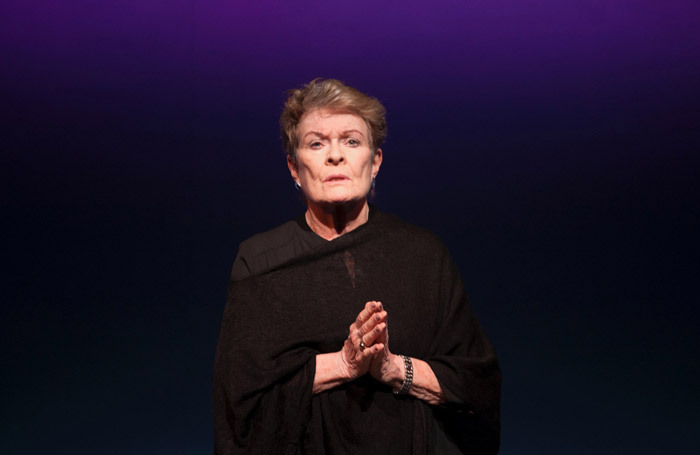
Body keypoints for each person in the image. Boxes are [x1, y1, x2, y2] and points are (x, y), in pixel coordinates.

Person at [213, 78, 501, 454]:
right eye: (317, 143)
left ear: (376, 159)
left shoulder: (423, 256)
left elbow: (475, 384)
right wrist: (344, 364)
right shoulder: (260, 262)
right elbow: (239, 402)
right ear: (294, 167)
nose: (336, 156)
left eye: (351, 141)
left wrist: (393, 368)